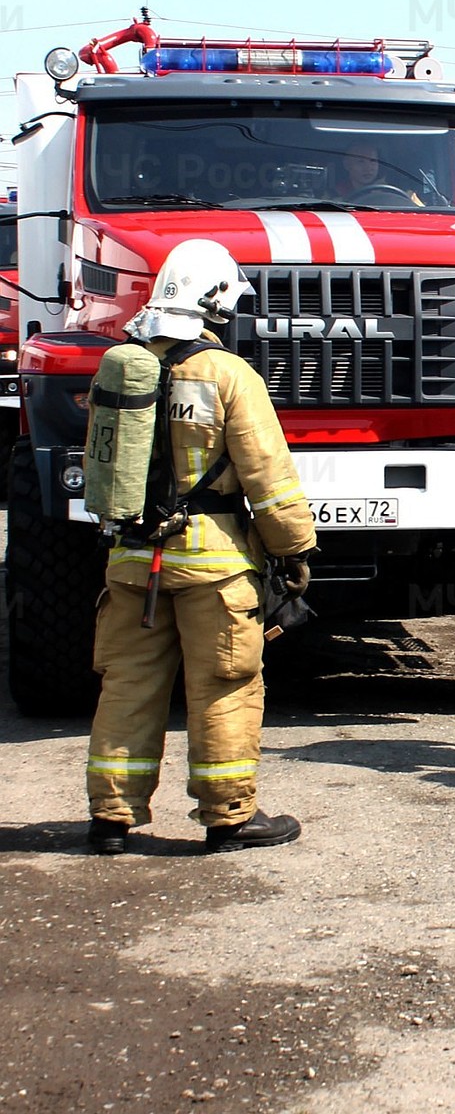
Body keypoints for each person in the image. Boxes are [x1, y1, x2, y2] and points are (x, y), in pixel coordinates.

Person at [84, 239, 318, 854]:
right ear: (214, 304)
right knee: (225, 685)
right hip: (214, 566)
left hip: (133, 559)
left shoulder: (122, 365)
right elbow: (267, 478)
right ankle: (228, 818)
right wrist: (294, 549)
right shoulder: (228, 374)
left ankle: (111, 819)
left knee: (127, 686)